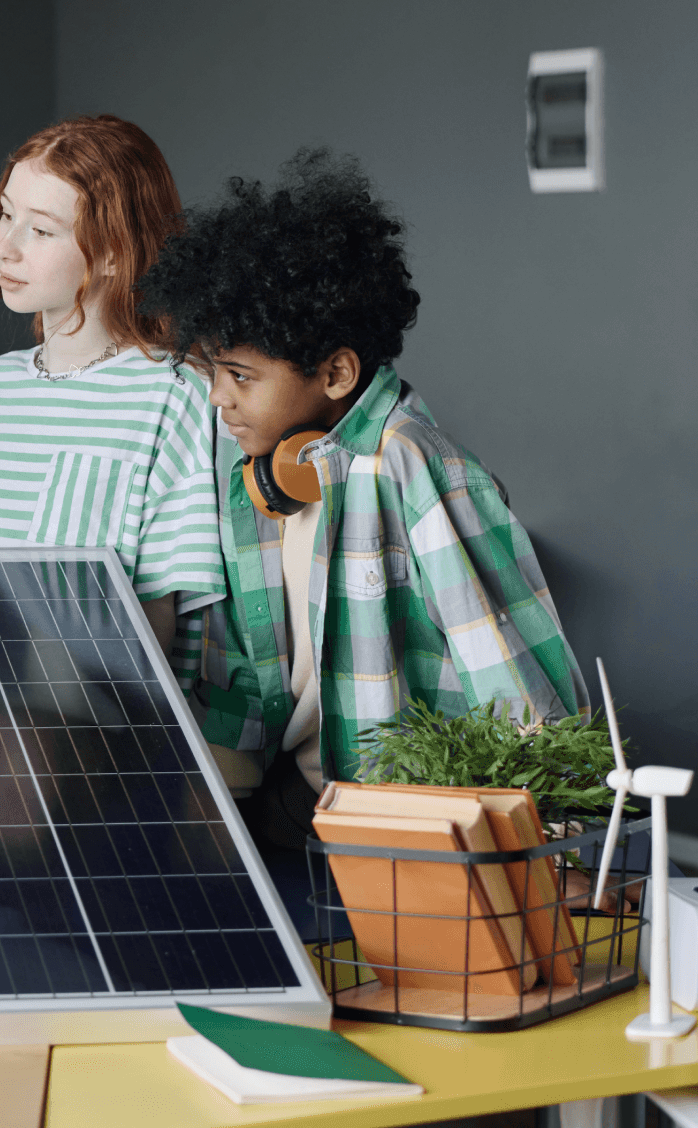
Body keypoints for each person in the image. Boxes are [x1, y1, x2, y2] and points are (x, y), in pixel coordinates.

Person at [136, 150, 588, 858]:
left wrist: (550, 839)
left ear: (337, 372)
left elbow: (515, 683)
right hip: (300, 788)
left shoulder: (419, 471)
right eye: (209, 374)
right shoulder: (245, 470)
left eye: (239, 377)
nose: (217, 398)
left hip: (402, 811)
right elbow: (248, 676)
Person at [0, 116, 226, 656]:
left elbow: (161, 615)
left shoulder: (176, 389)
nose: (6, 248)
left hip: (96, 708)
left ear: (116, 251)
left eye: (41, 230)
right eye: (6, 215)